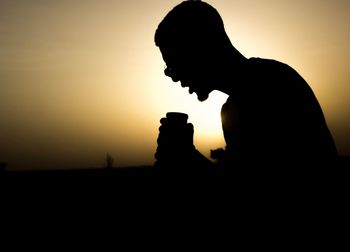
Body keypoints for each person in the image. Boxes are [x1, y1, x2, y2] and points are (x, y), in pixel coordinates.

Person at [153, 0, 337, 173]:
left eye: (173, 64)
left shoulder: (272, 84)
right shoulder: (231, 109)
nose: (174, 77)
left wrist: (187, 159)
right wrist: (187, 157)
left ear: (199, 49)